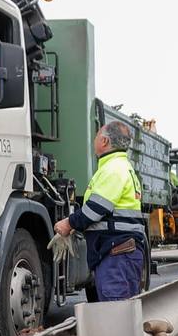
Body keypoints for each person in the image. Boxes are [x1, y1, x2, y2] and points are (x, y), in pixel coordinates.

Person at [54, 120, 146, 300]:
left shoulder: (113, 169)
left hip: (116, 254)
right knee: (123, 312)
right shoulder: (122, 167)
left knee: (114, 312)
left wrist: (68, 223)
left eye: (96, 136)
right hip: (121, 252)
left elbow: (96, 209)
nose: (93, 140)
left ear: (104, 141)